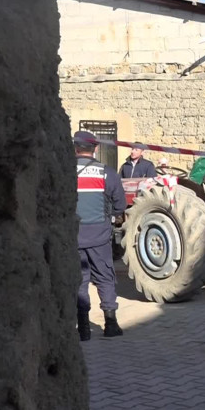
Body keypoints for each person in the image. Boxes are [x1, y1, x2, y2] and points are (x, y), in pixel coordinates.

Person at [74, 131, 127, 340]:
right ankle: (111, 324)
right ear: (95, 148)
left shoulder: (65, 172)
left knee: (80, 281)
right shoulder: (108, 173)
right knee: (105, 278)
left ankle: (84, 329)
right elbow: (120, 206)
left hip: (74, 236)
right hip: (100, 236)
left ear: (75, 149)